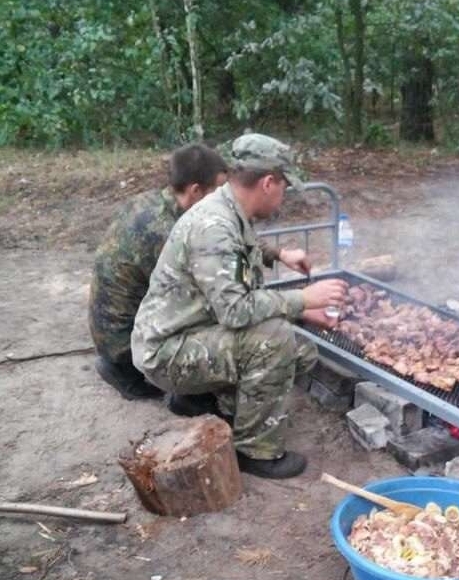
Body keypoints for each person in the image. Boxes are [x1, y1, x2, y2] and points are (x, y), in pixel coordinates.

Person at [131, 132, 348, 479]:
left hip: (192, 331)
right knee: (275, 340)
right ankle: (255, 450)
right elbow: (235, 311)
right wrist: (302, 299)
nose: (283, 197)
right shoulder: (214, 226)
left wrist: (296, 294)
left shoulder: (227, 207)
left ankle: (202, 400)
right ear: (267, 183)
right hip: (167, 351)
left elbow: (240, 260)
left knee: (300, 351)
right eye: (284, 188)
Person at [89, 143, 228, 400]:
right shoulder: (165, 232)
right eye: (218, 191)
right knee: (209, 316)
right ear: (196, 190)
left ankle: (123, 366)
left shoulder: (148, 202)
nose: (223, 199)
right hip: (126, 342)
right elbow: (206, 289)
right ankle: (171, 389)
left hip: (109, 330)